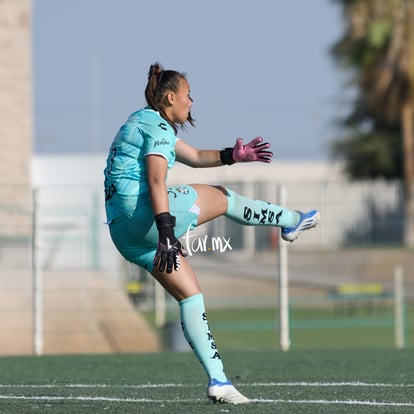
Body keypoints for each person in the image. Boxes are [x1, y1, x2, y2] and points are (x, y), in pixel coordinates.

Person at [104, 62, 320, 405]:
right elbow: (157, 180)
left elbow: (194, 156)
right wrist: (166, 232)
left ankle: (218, 381)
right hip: (144, 218)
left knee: (191, 297)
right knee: (222, 197)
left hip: (124, 234)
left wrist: (232, 156)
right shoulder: (159, 127)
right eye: (188, 96)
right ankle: (290, 220)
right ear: (171, 96)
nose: (192, 102)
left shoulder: (142, 121)